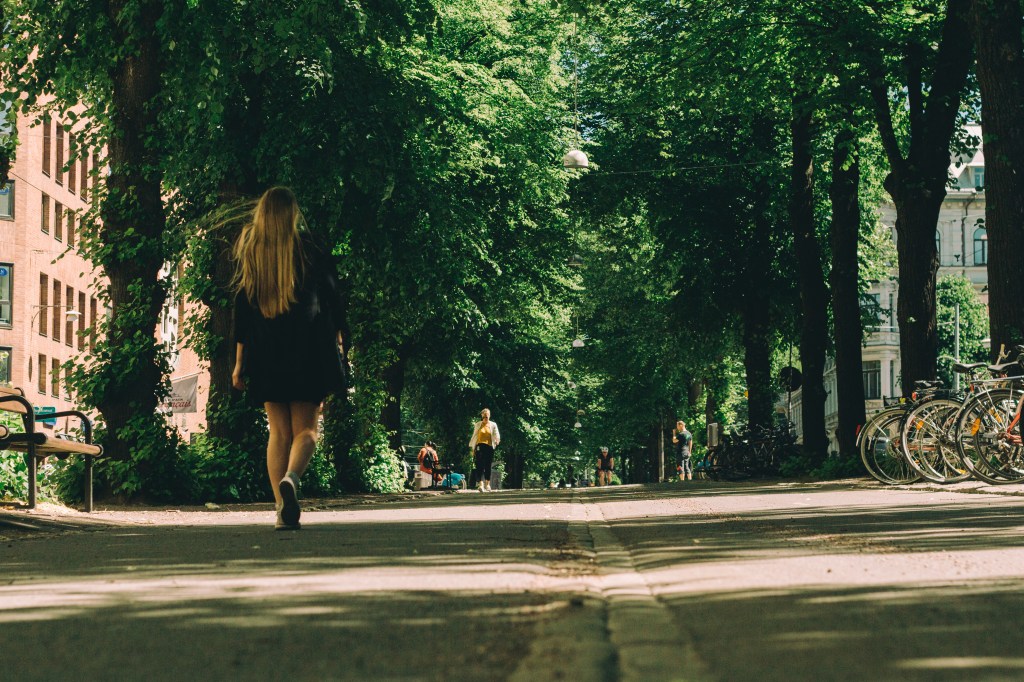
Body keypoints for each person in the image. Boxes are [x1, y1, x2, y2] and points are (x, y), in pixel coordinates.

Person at [231, 186, 346, 530]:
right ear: (293, 213)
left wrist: (239, 363)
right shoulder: (310, 248)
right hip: (308, 349)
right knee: (307, 430)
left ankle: (282, 510)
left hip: (266, 351)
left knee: (278, 432)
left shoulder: (253, 251)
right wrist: (340, 342)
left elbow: (242, 309)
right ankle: (292, 480)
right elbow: (332, 299)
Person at [468, 408, 500, 492]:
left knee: (488, 465)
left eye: (487, 416)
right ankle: (481, 484)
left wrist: (497, 439)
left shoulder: (493, 425)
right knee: (479, 465)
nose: (486, 417)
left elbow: (496, 433)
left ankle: (488, 484)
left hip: (489, 446)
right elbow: (474, 436)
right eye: (484, 416)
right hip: (479, 446)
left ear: (489, 416)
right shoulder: (478, 424)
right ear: (482, 416)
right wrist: (473, 448)